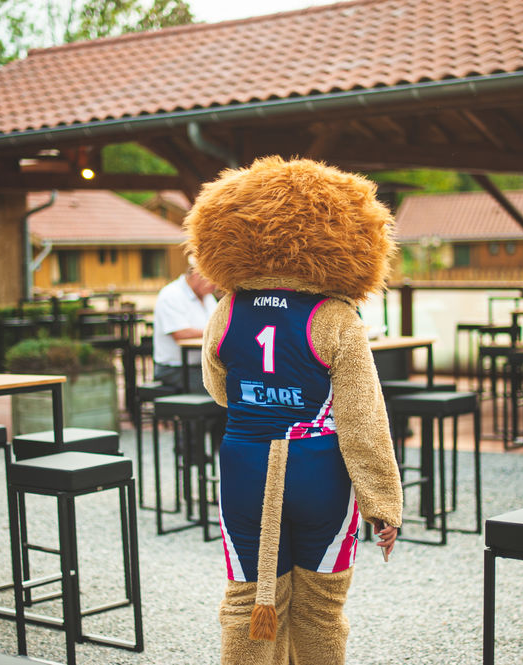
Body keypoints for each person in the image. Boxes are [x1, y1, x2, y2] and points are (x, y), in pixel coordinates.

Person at [186, 157, 402, 665]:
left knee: (248, 603)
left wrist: (262, 399)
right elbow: (363, 421)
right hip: (317, 472)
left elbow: (219, 389)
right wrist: (383, 503)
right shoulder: (335, 316)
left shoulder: (226, 309)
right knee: (320, 611)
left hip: (244, 465)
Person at [152, 264, 217, 391]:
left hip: (201, 366)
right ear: (197, 275)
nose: (216, 287)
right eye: (214, 281)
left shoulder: (207, 296)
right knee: (222, 390)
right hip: (175, 368)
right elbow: (180, 333)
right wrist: (215, 332)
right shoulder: (171, 295)